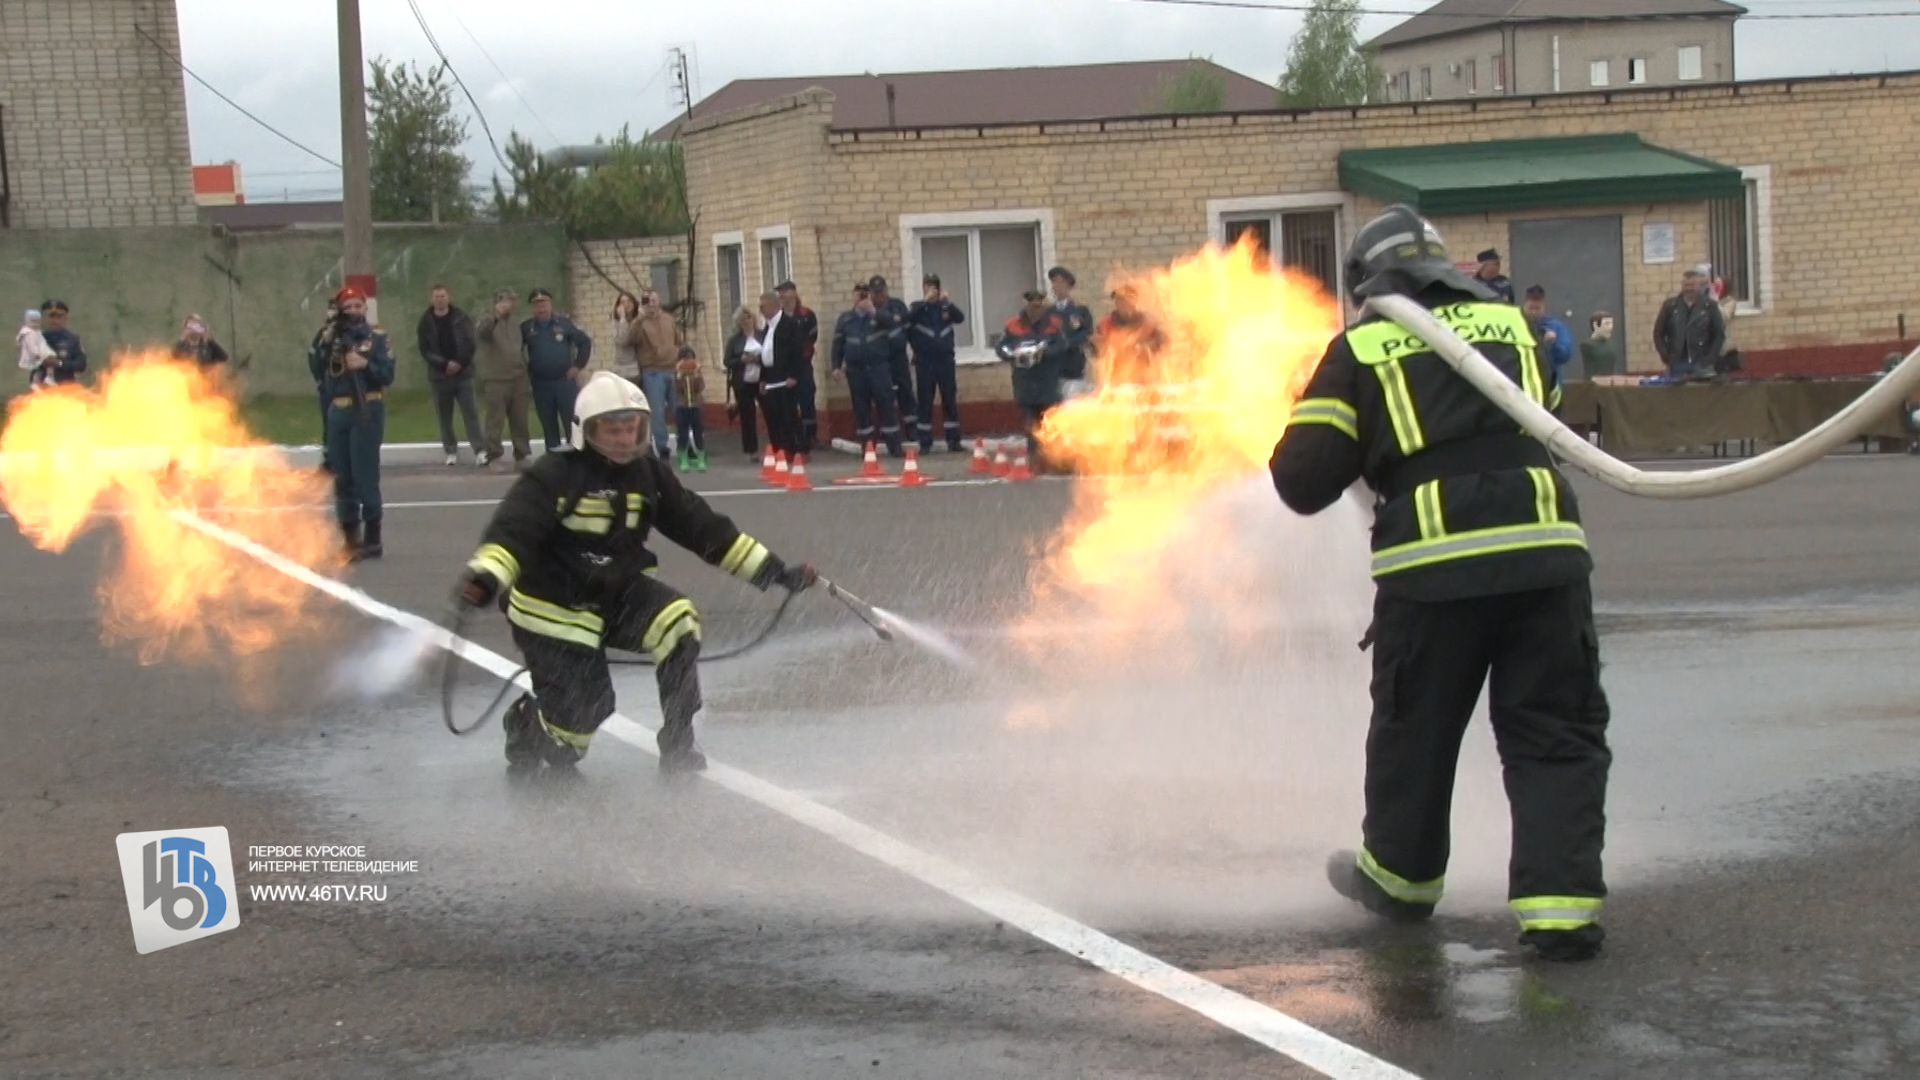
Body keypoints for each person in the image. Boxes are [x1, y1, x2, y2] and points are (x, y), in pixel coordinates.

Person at [1269, 204, 1609, 964]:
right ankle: (1561, 915)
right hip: (1545, 552)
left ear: (1366, 282)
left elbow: (1301, 480)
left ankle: (1401, 882)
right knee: (1555, 732)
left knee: (1415, 729)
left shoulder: (1361, 345)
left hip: (1434, 566)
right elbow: (1540, 416)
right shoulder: (1516, 327)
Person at [453, 371, 821, 777]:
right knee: (571, 740)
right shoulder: (555, 474)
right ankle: (526, 720)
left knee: (678, 623)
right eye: (612, 430)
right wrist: (484, 580)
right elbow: (513, 531)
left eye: (632, 429)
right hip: (553, 608)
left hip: (615, 595)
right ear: (585, 430)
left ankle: (678, 744)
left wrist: (775, 573)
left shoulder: (648, 474)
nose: (625, 440)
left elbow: (704, 529)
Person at [308, 286, 396, 561]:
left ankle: (372, 539)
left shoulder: (378, 338)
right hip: (339, 411)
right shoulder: (330, 336)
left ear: (365, 308)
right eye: (348, 307)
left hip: (367, 408)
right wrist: (326, 337)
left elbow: (387, 375)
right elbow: (316, 368)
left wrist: (364, 364)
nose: (354, 312)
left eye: (358, 306)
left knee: (364, 475)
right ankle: (350, 538)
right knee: (341, 476)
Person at [996, 288, 1071, 469]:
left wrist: (1044, 353)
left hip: (1047, 385)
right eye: (1032, 306)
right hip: (1025, 385)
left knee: (1051, 425)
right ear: (1026, 305)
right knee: (1031, 427)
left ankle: (1054, 460)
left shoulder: (1053, 324)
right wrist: (1014, 355)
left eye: (1039, 306)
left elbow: (1062, 346)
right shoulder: (1013, 325)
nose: (1036, 310)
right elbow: (1001, 348)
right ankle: (1035, 462)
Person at [417, 285, 486, 468]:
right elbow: (425, 349)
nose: (440, 299)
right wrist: (444, 364)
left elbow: (471, 342)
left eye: (443, 296)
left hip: (463, 375)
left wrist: (459, 363)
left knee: (470, 413)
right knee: (444, 417)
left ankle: (479, 451)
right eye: (436, 296)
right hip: (439, 376)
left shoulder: (461, 318)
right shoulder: (425, 321)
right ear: (431, 299)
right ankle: (450, 451)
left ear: (449, 297)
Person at [831, 282, 903, 457]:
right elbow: (838, 344)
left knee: (886, 406)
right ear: (853, 296)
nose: (862, 297)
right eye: (859, 294)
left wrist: (873, 311)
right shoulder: (846, 319)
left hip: (879, 368)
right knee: (861, 409)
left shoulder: (880, 315)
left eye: (865, 293)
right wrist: (836, 366)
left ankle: (894, 446)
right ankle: (868, 448)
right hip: (856, 371)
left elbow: (893, 327)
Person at [520, 287, 591, 451]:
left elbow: (584, 342)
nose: (541, 307)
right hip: (541, 384)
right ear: (532, 307)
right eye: (536, 304)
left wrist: (577, 366)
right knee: (548, 424)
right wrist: (526, 370)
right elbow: (514, 349)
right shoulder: (527, 328)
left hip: (564, 382)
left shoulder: (564, 324)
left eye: (544, 303)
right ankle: (553, 461)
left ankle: (575, 458)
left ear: (551, 304)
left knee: (571, 423)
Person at [907, 273, 967, 453]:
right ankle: (925, 442)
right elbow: (908, 320)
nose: (932, 289)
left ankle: (953, 440)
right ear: (923, 287)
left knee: (949, 399)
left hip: (945, 361)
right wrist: (926, 301)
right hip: (925, 362)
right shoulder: (918, 308)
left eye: (934, 286)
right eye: (928, 285)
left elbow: (960, 318)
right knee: (925, 401)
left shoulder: (945, 308)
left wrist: (947, 302)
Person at [477, 288, 533, 472]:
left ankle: (522, 454)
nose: (510, 305)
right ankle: (494, 456)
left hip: (518, 377)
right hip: (496, 378)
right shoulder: (487, 320)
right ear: (497, 302)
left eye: (513, 301)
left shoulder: (517, 322)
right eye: (506, 301)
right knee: (495, 419)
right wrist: (496, 315)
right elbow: (482, 333)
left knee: (520, 419)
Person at [632, 289, 684, 458]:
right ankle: (662, 447)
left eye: (654, 300)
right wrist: (639, 318)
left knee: (679, 409)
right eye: (647, 301)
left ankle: (684, 443)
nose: (651, 304)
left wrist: (678, 355)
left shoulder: (668, 319)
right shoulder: (640, 322)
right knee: (657, 411)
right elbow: (629, 340)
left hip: (672, 369)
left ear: (659, 301)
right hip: (652, 372)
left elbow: (679, 340)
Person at [756, 290, 806, 460]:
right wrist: (762, 378)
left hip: (786, 378)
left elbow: (797, 352)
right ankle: (779, 447)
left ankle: (797, 449)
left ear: (774, 305)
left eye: (763, 306)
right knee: (774, 416)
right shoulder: (766, 328)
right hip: (771, 377)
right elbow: (765, 354)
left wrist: (794, 375)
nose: (760, 310)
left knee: (789, 415)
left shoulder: (789, 325)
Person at [868, 276, 917, 446]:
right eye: (875, 293)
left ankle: (911, 428)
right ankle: (888, 430)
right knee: (884, 395)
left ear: (886, 290)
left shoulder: (897, 306)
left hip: (898, 357)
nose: (878, 296)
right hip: (880, 360)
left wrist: (915, 350)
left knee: (905, 391)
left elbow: (908, 330)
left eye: (881, 292)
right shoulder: (868, 310)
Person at [1653, 267, 1726, 378]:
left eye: (1692, 285)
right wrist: (1666, 356)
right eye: (1686, 285)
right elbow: (1658, 333)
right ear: (1682, 285)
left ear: (1698, 286)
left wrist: (1709, 359)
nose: (1689, 289)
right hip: (1676, 363)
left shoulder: (1710, 306)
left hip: (1702, 363)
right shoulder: (1670, 306)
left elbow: (1719, 334)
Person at [776, 281, 820, 449]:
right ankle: (794, 436)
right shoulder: (779, 317)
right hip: (785, 367)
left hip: (803, 364)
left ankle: (811, 435)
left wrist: (803, 353)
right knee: (789, 402)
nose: (782, 296)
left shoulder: (806, 314)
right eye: (780, 293)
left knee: (807, 397)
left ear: (793, 293)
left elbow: (812, 336)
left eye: (785, 292)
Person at [723, 306, 765, 459]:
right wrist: (741, 360)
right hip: (743, 382)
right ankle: (751, 450)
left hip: (761, 379)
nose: (746, 322)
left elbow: (770, 355)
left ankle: (777, 445)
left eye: (748, 319)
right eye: (742, 321)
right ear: (738, 324)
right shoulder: (735, 340)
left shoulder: (762, 335)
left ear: (753, 319)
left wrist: (757, 359)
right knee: (748, 416)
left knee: (770, 412)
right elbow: (727, 361)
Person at [1047, 266, 1095, 388]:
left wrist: (1068, 343)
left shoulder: (1080, 310)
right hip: (1053, 365)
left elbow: (1086, 332)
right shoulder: (1048, 312)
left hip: (1073, 363)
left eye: (1060, 282)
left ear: (1068, 284)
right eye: (1054, 282)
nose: (1056, 286)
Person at [1521, 285, 1574, 376]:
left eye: (1537, 309)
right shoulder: (1518, 325)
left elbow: (1565, 356)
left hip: (1550, 380)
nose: (1534, 312)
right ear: (1524, 306)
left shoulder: (1556, 327)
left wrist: (1553, 343)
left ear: (1544, 307)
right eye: (1530, 308)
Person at [672, 346, 708, 473]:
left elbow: (700, 387)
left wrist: (697, 374)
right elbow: (678, 388)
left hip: (695, 406)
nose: (688, 362)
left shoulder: (697, 373)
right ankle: (683, 458)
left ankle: (701, 459)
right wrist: (679, 374)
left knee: (698, 432)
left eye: (690, 358)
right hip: (682, 406)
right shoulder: (677, 373)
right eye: (685, 358)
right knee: (682, 433)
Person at [36, 299, 87, 387]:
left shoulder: (72, 340)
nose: (55, 321)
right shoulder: (37, 339)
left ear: (65, 319)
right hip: (43, 390)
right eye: (51, 317)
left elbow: (81, 365)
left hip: (66, 390)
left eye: (59, 317)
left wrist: (59, 363)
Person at [606, 292, 643, 381]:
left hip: (636, 369)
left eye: (629, 301)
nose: (626, 304)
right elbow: (623, 340)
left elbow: (637, 339)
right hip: (621, 370)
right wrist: (623, 318)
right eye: (622, 302)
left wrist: (638, 319)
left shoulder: (639, 321)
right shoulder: (616, 323)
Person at [17, 309, 55, 390]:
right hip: (34, 356)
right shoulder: (28, 334)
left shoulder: (36, 332)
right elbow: (31, 346)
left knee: (49, 362)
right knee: (37, 369)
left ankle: (49, 377)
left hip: (42, 351)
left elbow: (41, 342)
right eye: (33, 321)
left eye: (37, 322)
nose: (36, 324)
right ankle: (35, 383)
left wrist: (46, 351)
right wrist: (36, 354)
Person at [1579, 312, 1622, 379]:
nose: (1610, 327)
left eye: (1611, 323)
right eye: (1606, 324)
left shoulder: (1611, 345)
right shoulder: (1587, 345)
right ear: (1595, 325)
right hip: (1593, 385)